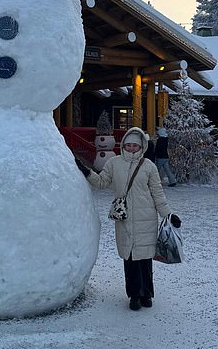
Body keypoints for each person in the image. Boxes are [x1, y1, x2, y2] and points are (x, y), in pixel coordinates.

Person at [76, 127, 181, 311]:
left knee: (145, 258)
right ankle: (134, 295)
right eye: (128, 145)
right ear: (123, 145)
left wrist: (168, 214)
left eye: (135, 145)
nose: (132, 148)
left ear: (142, 146)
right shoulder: (114, 163)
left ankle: (147, 293)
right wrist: (87, 172)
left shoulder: (149, 166)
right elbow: (102, 182)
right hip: (124, 217)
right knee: (130, 258)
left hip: (146, 216)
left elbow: (157, 193)